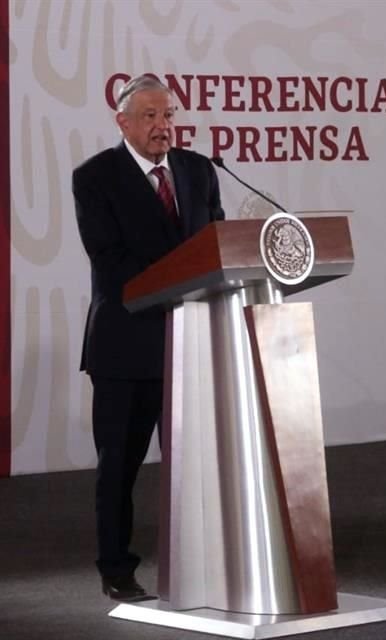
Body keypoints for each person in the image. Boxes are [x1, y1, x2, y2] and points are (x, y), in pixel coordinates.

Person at [73, 74, 225, 601]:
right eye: (151, 117)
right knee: (119, 465)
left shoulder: (199, 170)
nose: (163, 126)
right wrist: (184, 278)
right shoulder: (95, 177)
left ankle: (202, 563)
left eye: (169, 116)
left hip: (192, 342)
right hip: (127, 346)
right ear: (123, 122)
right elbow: (110, 260)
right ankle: (116, 569)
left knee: (197, 466)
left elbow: (218, 243)